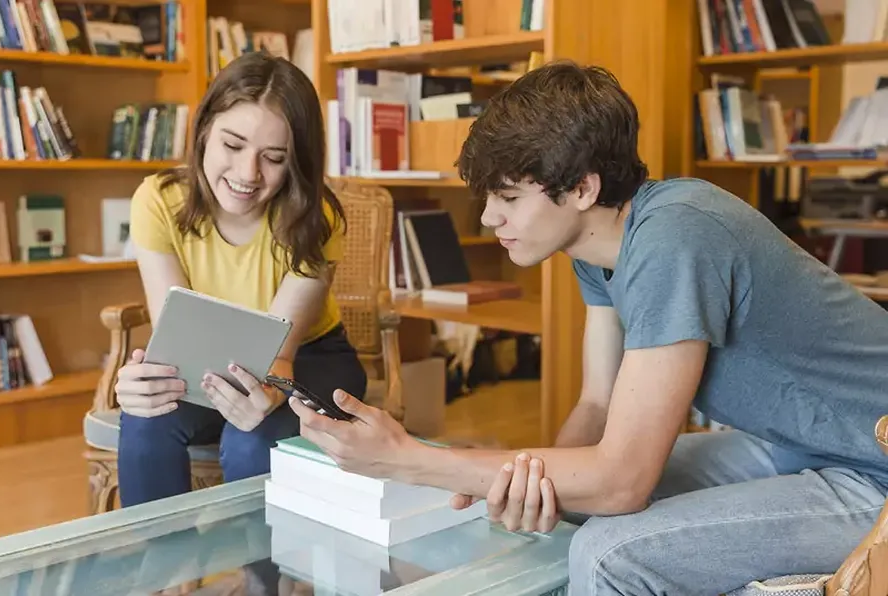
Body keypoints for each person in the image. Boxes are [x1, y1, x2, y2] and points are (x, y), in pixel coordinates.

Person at [287, 60, 888, 595]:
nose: (489, 216)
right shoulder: (601, 250)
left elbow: (622, 481)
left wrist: (411, 459)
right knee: (565, 500)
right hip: (796, 447)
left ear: (582, 188)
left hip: (875, 469)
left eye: (508, 197)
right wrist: (519, 483)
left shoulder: (676, 236)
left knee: (609, 555)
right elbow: (598, 404)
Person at [115, 52, 367, 507]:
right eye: (232, 146)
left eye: (273, 158)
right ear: (204, 130)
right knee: (144, 418)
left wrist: (260, 399)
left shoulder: (317, 218)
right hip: (207, 353)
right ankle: (161, 573)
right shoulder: (157, 200)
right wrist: (141, 382)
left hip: (306, 360)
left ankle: (262, 579)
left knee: (254, 438)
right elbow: (175, 336)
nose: (247, 175)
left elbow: (280, 355)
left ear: (297, 162)